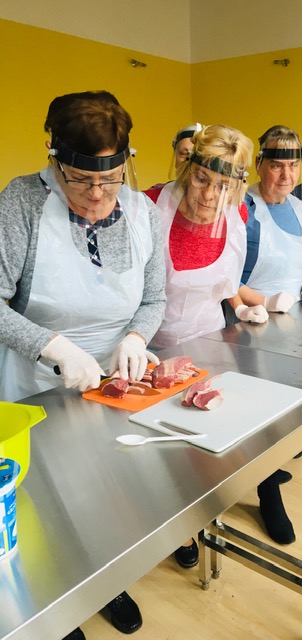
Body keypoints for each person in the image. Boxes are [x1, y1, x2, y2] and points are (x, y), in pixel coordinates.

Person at [0, 90, 167, 639]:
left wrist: (137, 337)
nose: (96, 194)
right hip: (35, 385)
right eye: (80, 180)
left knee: (109, 492)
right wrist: (54, 347)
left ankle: (105, 580)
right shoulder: (22, 202)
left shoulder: (142, 212)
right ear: (54, 160)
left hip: (116, 385)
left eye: (110, 179)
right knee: (40, 502)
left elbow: (154, 297)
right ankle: (51, 603)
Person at [146, 124, 262, 567]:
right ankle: (166, 527)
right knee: (157, 450)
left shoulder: (237, 216)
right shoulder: (151, 205)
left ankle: (200, 518)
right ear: (187, 167)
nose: (211, 195)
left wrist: (247, 306)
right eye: (201, 179)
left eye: (224, 185)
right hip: (150, 349)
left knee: (202, 445)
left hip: (210, 345)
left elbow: (231, 283)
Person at [238, 125, 302, 545]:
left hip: (293, 328)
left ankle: (269, 464)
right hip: (252, 326)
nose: (286, 175)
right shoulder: (244, 207)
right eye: (276, 165)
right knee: (257, 413)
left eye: (293, 165)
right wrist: (264, 301)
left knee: (287, 406)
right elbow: (224, 275)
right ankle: (267, 493)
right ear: (259, 165)